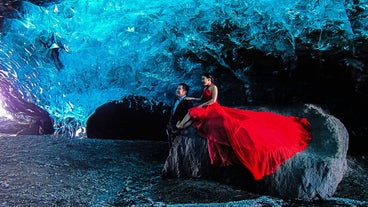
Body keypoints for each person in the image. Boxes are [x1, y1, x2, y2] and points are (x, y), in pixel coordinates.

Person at [176, 72, 312, 180]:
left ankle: (181, 125)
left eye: (204, 79)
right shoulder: (205, 88)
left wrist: (201, 105)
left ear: (209, 80)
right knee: (194, 113)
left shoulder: (213, 87)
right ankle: (182, 125)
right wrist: (192, 99)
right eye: (202, 79)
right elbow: (202, 98)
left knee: (196, 112)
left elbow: (212, 100)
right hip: (206, 107)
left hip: (213, 108)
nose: (202, 81)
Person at [166, 83, 193, 147]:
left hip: (179, 127)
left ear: (185, 91)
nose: (177, 90)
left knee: (178, 145)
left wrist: (181, 125)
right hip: (171, 125)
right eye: (177, 89)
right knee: (170, 143)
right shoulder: (175, 99)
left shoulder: (188, 102)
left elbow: (189, 116)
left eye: (179, 89)